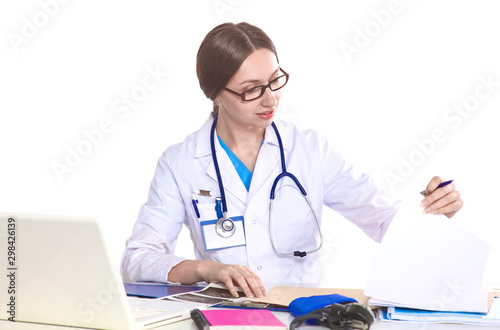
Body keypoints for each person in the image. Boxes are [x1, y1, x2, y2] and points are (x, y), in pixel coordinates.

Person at [120, 22, 463, 299]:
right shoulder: (181, 162)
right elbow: (137, 259)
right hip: (226, 315)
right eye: (251, 88)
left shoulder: (310, 150)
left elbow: (382, 219)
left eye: (274, 81)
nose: (270, 98)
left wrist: (434, 211)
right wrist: (207, 270)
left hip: (302, 315)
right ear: (216, 94)